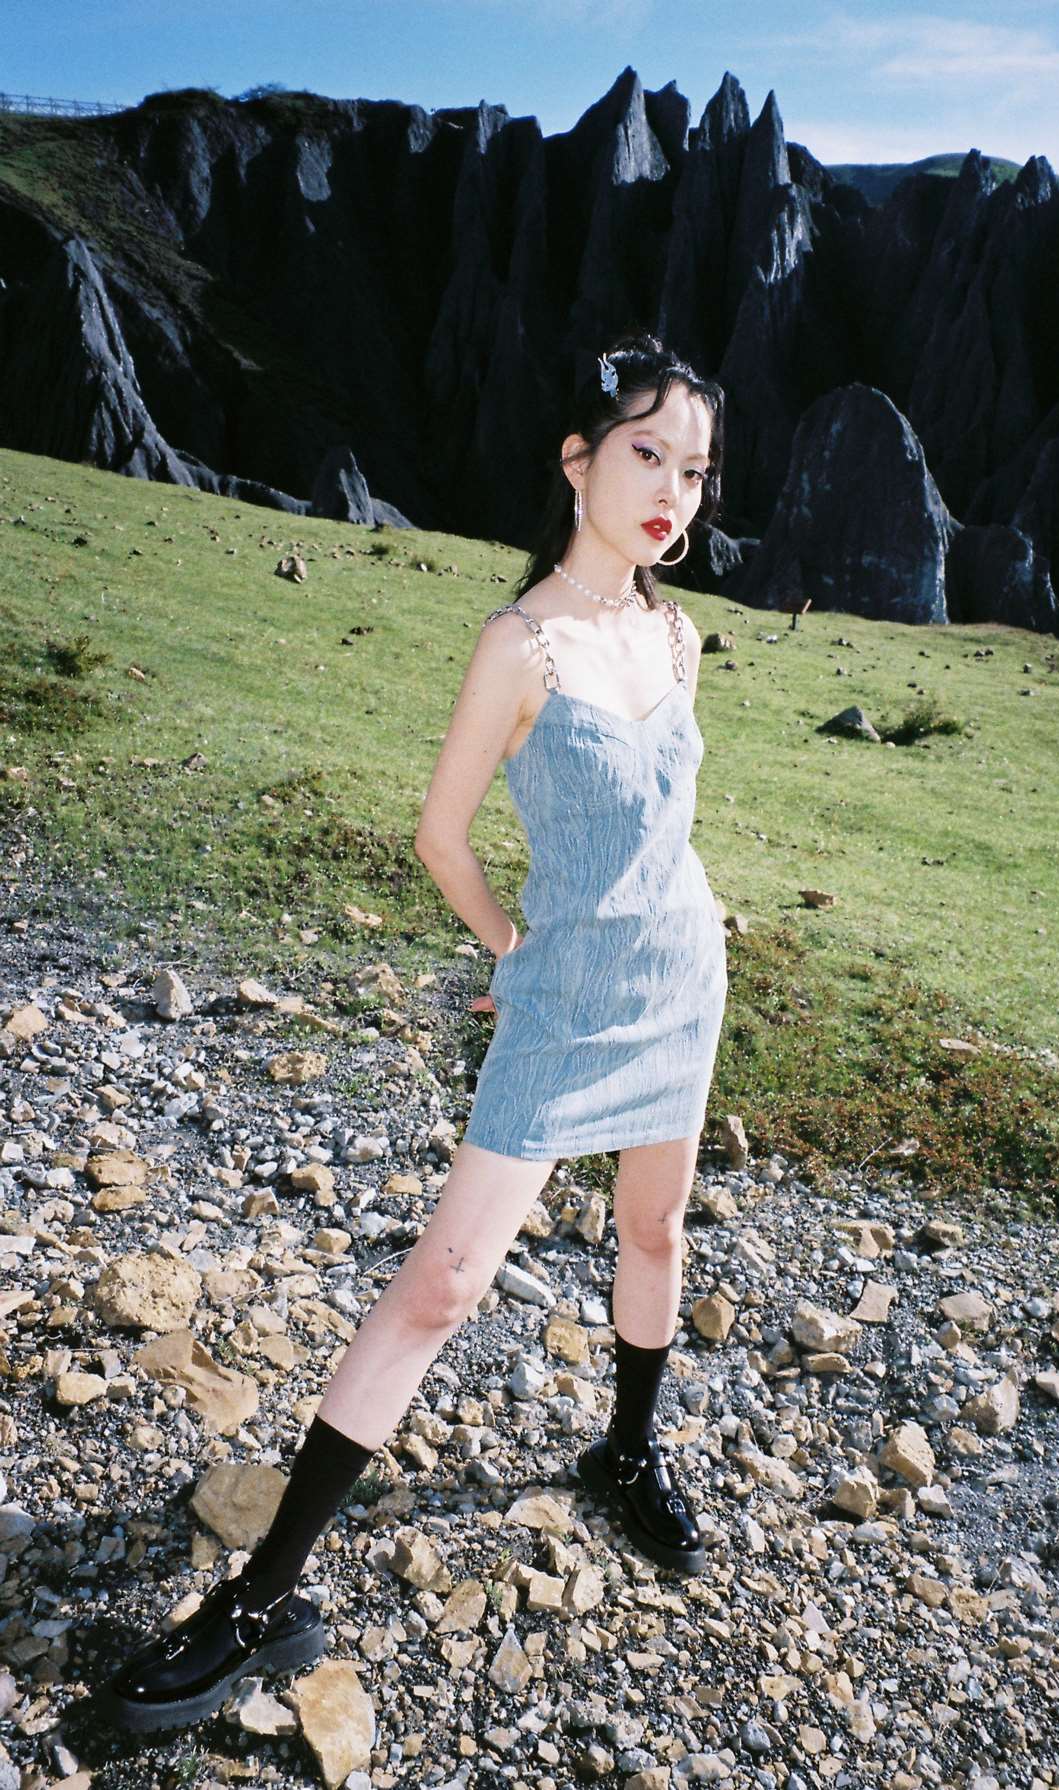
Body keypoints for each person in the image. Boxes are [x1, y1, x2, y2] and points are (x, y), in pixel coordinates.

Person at [101, 332, 729, 1733]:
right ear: (577, 461)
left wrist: (670, 922)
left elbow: (658, 824)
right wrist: (516, 950)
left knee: (653, 1231)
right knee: (442, 1284)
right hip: (564, 1008)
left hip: (683, 980)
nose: (671, 491)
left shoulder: (675, 633)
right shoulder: (520, 645)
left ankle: (626, 1452)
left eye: (694, 469)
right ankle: (261, 1597)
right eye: (645, 454)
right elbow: (442, 836)